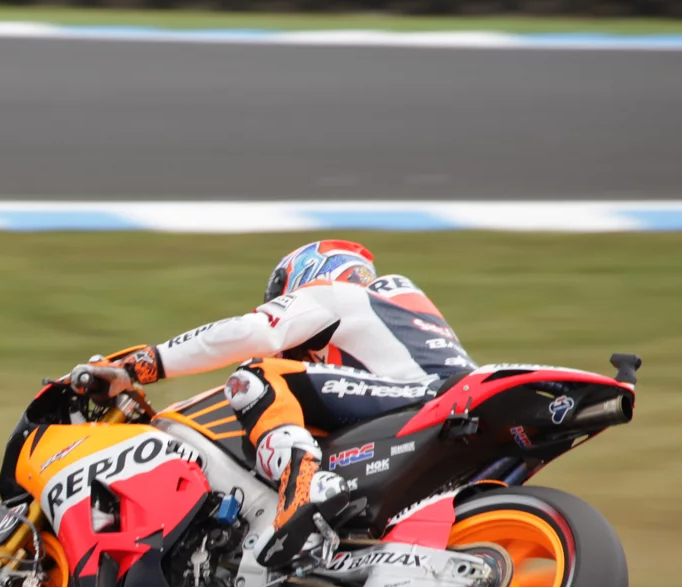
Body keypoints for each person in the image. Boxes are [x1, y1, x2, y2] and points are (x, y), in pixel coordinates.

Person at [65, 239, 474, 568]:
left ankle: (303, 491)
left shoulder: (334, 294)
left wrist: (141, 365)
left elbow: (251, 333)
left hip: (425, 397)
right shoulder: (396, 313)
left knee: (253, 377)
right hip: (452, 408)